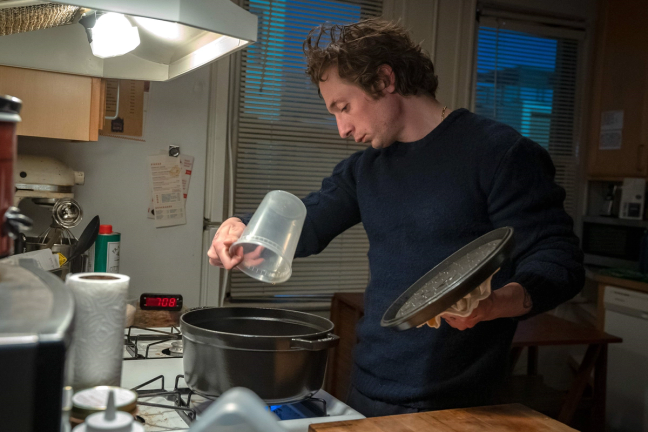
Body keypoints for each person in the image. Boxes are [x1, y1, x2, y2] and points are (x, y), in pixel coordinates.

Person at [207, 18, 584, 417]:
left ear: (385, 80)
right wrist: (243, 228)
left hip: (459, 400)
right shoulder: (365, 170)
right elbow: (309, 221)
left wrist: (493, 305)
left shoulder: (499, 153)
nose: (342, 129)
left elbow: (559, 261)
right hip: (368, 385)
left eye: (344, 107)